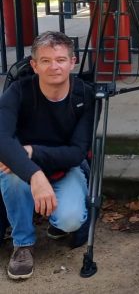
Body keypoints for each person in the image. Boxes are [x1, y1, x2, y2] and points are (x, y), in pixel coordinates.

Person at [0, 31, 94, 280]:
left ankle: (56, 219)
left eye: (61, 60)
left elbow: (77, 153)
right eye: (46, 60)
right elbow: (2, 139)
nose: (54, 66)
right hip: (22, 170)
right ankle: (23, 244)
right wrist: (35, 174)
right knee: (9, 172)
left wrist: (34, 152)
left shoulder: (84, 95)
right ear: (34, 65)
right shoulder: (18, 91)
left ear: (72, 62)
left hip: (65, 168)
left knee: (70, 220)